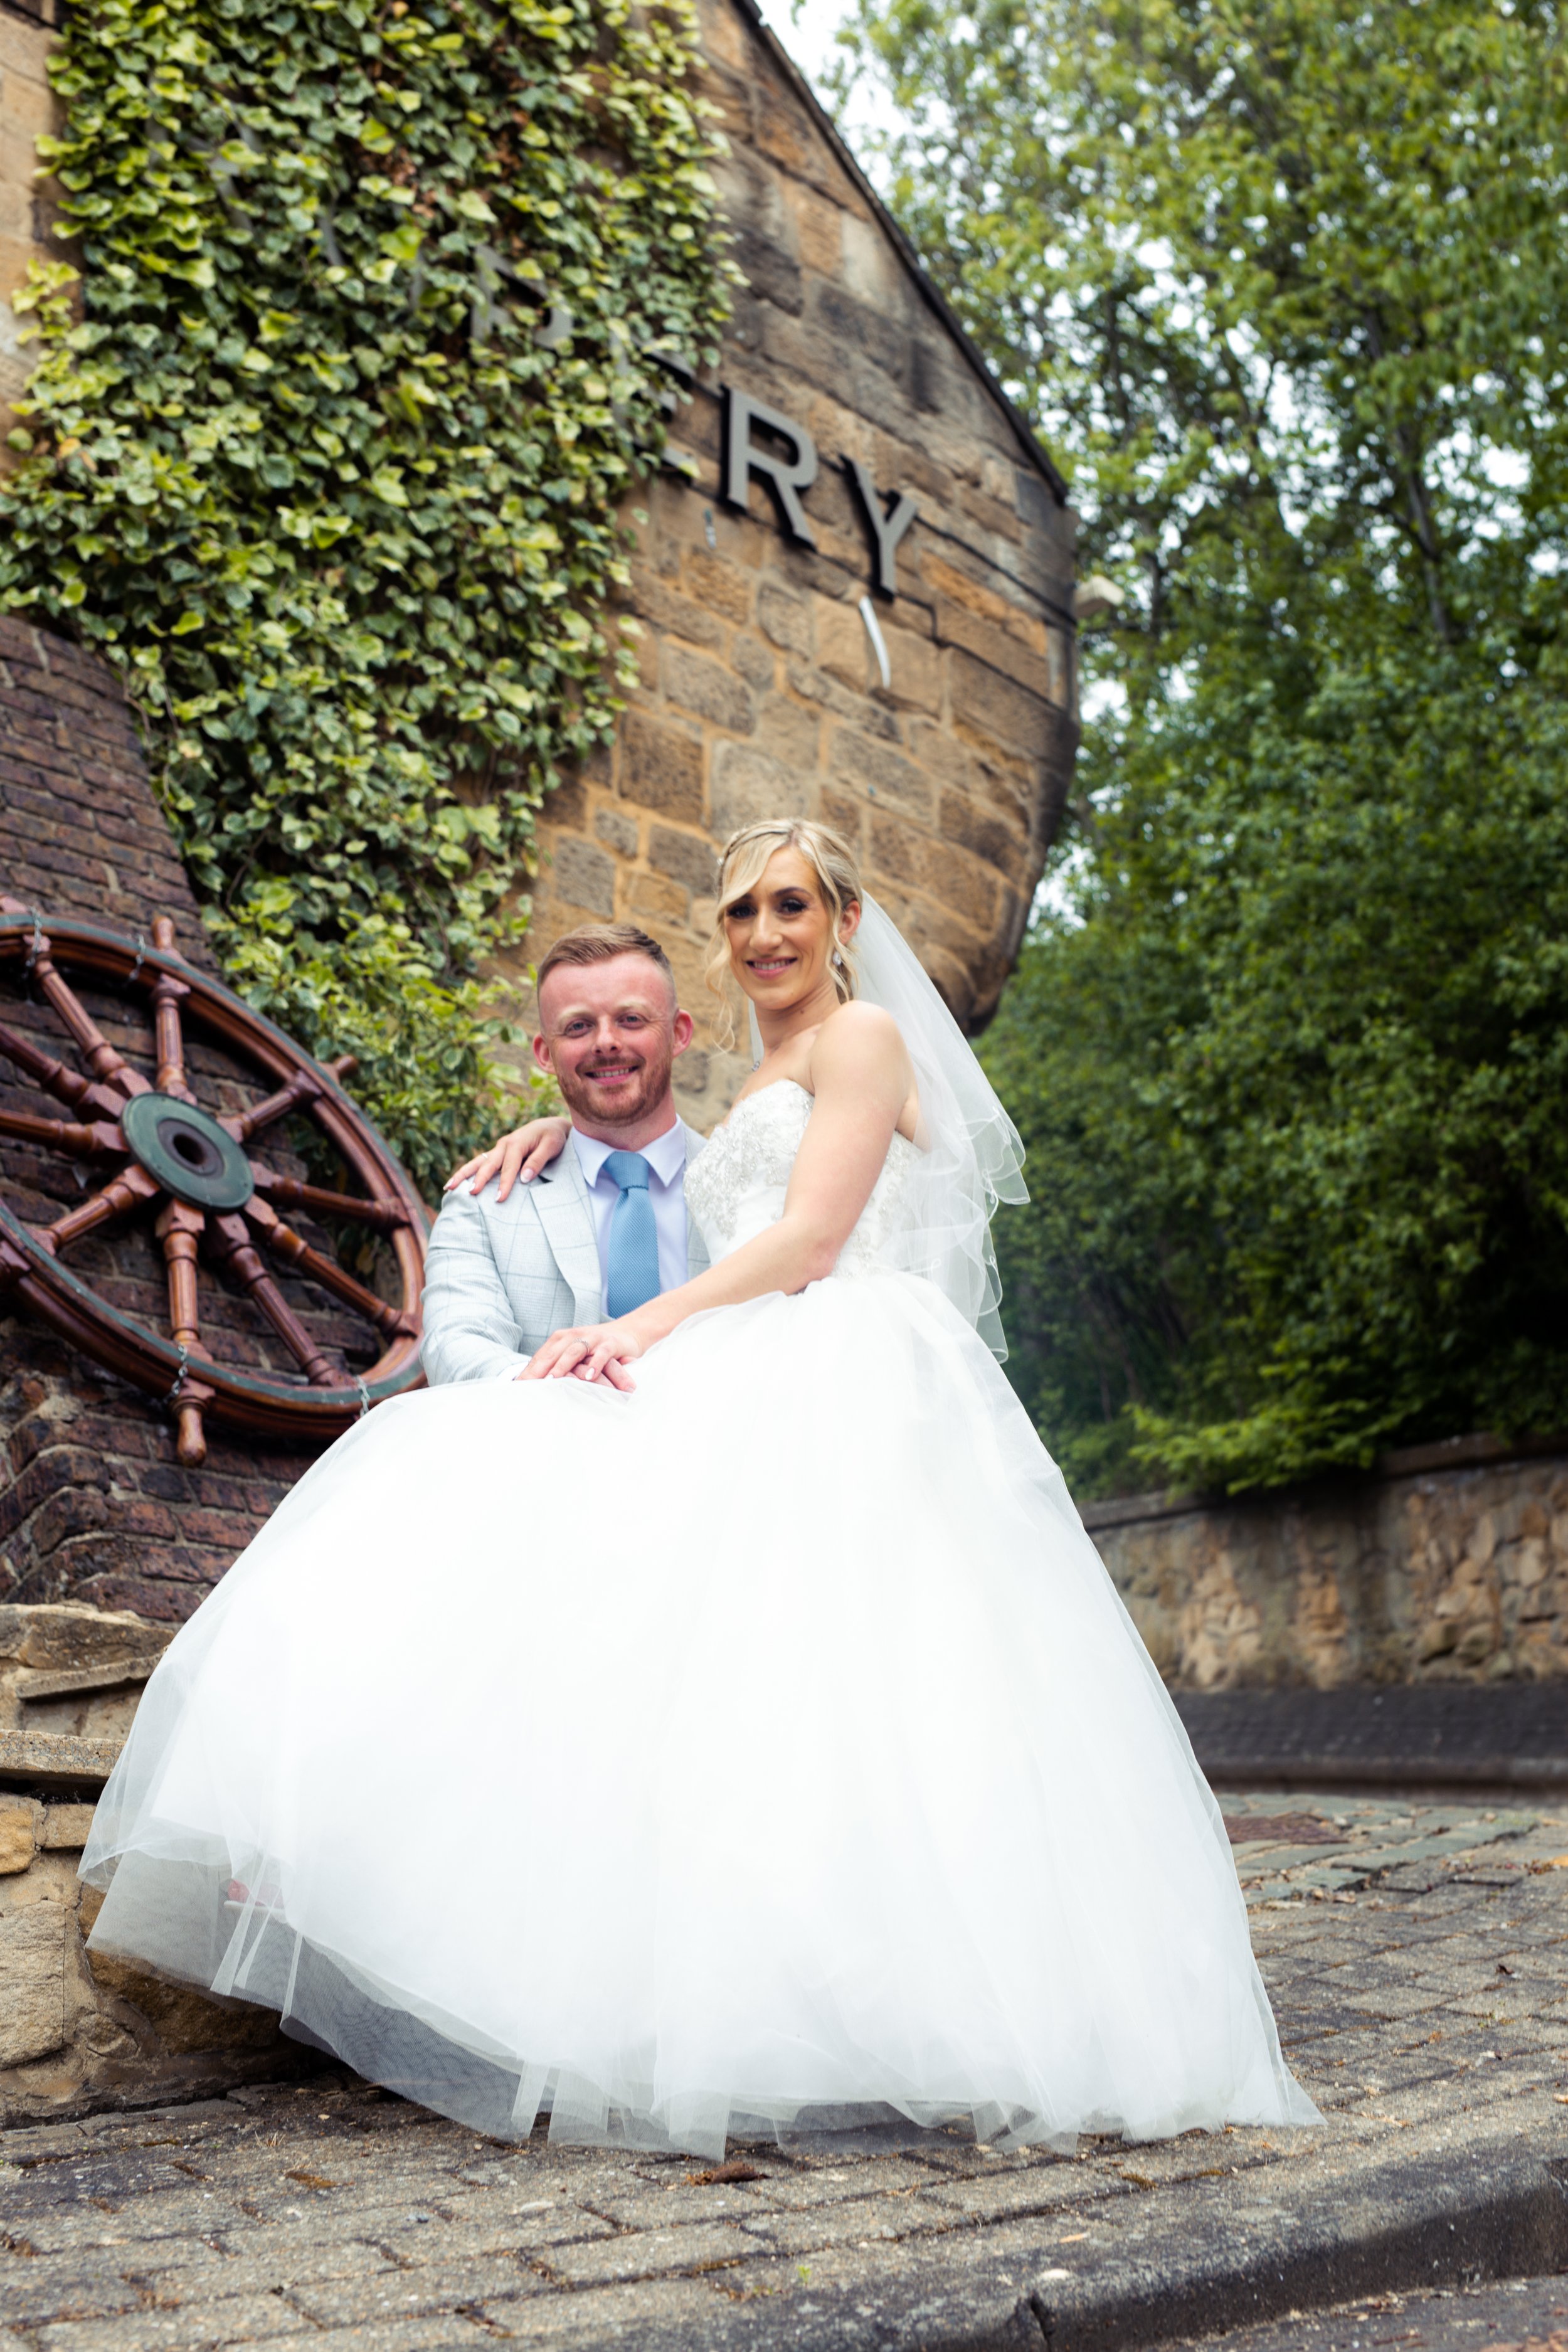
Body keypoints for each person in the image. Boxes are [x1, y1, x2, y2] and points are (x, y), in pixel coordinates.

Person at [80, 818, 1318, 2159]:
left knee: (886, 1698)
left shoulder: (856, 1045)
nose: (764, 932)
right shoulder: (671, 1116)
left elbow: (808, 1236)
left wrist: (637, 1329)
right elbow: (479, 1336)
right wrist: (545, 1163)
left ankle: (949, 2010)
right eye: (740, 911)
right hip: (711, 1399)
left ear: (837, 925)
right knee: (754, 1715)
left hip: (827, 1379)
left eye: (789, 905)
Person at [420, 923, 709, 1385]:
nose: (606, 1042)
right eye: (578, 1026)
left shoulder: (749, 1190)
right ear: (545, 1053)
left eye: (631, 1019)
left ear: (678, 1033)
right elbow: (454, 1344)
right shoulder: (482, 1202)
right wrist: (561, 1385)